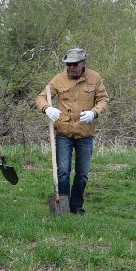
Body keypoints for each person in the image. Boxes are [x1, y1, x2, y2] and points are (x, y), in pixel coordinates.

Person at [36, 47, 110, 215]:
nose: (71, 68)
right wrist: (46, 108)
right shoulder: (59, 79)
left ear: (83, 63)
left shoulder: (95, 78)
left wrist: (94, 112)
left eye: (74, 64)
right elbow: (41, 97)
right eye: (68, 64)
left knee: (82, 173)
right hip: (64, 133)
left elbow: (103, 99)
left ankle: (76, 206)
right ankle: (63, 206)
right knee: (62, 171)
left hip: (85, 134)